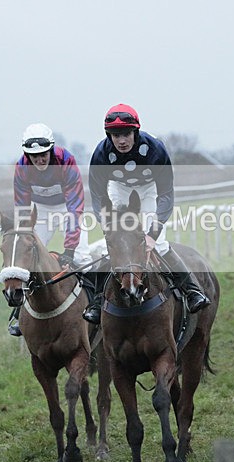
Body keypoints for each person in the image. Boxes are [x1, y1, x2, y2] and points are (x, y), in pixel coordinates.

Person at [82, 103, 210, 324]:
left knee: (159, 244)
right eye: (115, 135)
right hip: (119, 189)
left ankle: (192, 291)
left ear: (136, 132)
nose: (121, 141)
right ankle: (96, 302)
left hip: (149, 190)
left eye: (126, 134)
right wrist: (108, 227)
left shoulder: (155, 150)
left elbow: (166, 195)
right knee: (108, 248)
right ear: (109, 136)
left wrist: (151, 235)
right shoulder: (101, 154)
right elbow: (99, 196)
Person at [8, 123, 92, 336]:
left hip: (67, 207)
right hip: (41, 210)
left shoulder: (66, 160)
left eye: (43, 154)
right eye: (34, 156)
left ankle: (95, 306)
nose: (39, 160)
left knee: (82, 258)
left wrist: (70, 249)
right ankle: (20, 312)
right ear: (27, 155)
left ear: (51, 149)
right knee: (29, 259)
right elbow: (22, 207)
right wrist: (24, 234)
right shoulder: (21, 167)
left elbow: (75, 207)